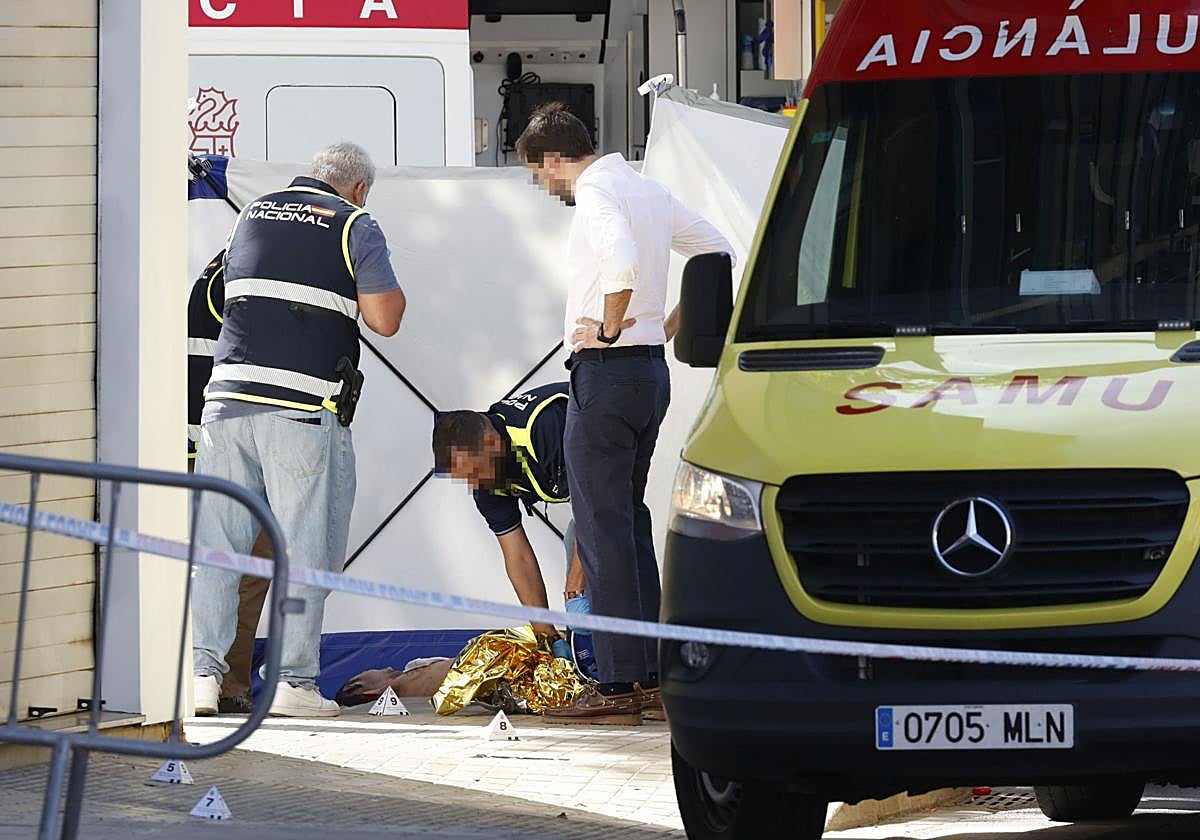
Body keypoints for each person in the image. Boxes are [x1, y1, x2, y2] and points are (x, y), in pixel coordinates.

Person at [515, 104, 733, 725]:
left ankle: (613, 687)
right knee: (631, 527)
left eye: (541, 174)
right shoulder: (649, 189)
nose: (546, 186)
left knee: (600, 528)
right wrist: (659, 327)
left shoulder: (597, 192)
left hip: (607, 374)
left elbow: (622, 262)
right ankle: (648, 681)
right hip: (648, 375)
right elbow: (715, 249)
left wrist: (610, 330)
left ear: (554, 158)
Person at [192, 142, 407, 718]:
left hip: (225, 405)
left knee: (219, 548)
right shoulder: (355, 223)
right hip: (301, 409)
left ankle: (201, 680)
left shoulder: (251, 213)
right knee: (305, 550)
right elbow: (385, 319)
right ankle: (293, 683)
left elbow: (218, 298)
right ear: (357, 188)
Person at [431, 383, 590, 663]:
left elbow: (596, 508)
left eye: (475, 472)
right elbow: (518, 556)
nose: (474, 484)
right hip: (594, 498)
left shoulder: (544, 430)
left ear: (493, 444)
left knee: (600, 560)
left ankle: (638, 672)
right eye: (465, 477)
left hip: (620, 427)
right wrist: (546, 635)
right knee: (576, 544)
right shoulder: (485, 479)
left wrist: (574, 590)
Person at [187, 251, 272, 715]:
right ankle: (223, 682)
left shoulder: (217, 276)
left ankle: (217, 681)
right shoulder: (245, 277)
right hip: (230, 449)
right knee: (246, 567)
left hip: (206, 443)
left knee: (230, 567)